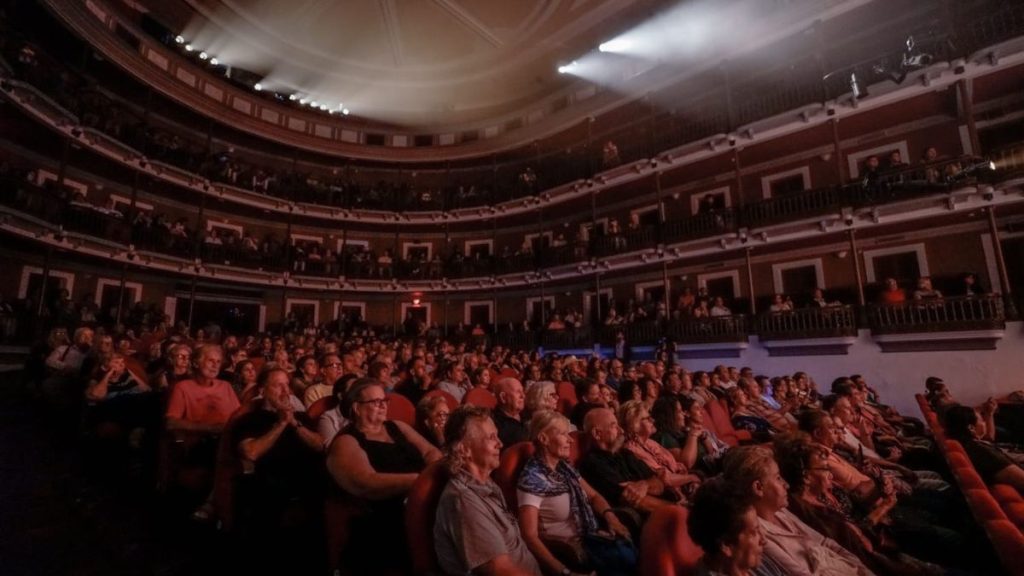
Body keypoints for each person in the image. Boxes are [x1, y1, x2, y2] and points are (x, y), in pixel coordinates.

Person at [327, 379, 442, 572]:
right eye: (375, 402)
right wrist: (420, 481)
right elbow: (365, 482)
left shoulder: (397, 426)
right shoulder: (346, 441)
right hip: (383, 518)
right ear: (356, 408)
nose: (383, 405)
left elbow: (432, 453)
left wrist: (428, 478)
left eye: (384, 400)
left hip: (422, 499)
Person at [722, 446, 874, 576]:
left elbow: (826, 543)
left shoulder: (781, 512)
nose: (786, 484)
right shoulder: (757, 534)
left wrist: (863, 570)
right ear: (758, 488)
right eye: (778, 478)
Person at [517, 411, 635, 576]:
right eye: (563, 434)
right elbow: (529, 537)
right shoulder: (532, 479)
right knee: (626, 558)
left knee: (631, 547)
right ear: (543, 439)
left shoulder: (565, 468)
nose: (571, 440)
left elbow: (594, 496)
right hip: (568, 551)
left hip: (589, 537)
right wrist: (565, 572)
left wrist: (611, 518)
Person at [434, 406, 542, 575]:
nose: (500, 443)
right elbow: (500, 571)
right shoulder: (463, 500)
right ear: (464, 449)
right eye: (492, 438)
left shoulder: (487, 483)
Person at [233, 368, 325, 565]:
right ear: (262, 390)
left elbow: (319, 445)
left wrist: (294, 423)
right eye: (278, 385)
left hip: (309, 479)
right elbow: (251, 452)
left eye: (287, 385)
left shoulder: (300, 416)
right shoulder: (249, 419)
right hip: (271, 482)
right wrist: (281, 424)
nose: (286, 391)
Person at [577, 408, 675, 526]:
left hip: (665, 512)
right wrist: (676, 509)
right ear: (597, 433)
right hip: (648, 523)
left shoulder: (625, 454)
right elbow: (635, 501)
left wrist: (645, 485)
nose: (621, 430)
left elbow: (659, 483)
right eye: (614, 426)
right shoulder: (593, 464)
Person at [689, 477, 785, 576]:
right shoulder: (747, 559)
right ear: (726, 545)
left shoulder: (751, 561)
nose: (763, 540)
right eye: (754, 532)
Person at [619, 400, 701, 494]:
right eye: (648, 418)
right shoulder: (631, 450)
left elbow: (678, 467)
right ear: (635, 425)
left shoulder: (650, 442)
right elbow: (665, 478)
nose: (653, 420)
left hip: (685, 486)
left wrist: (689, 479)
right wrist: (692, 477)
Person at [945, 405, 1024, 492]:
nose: (985, 423)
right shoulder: (985, 454)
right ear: (971, 428)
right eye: (982, 420)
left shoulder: (970, 444)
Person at [493, 377, 529, 449]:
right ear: (503, 397)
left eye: (523, 392)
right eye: (518, 392)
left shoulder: (527, 416)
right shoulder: (495, 425)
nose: (523, 396)